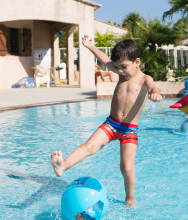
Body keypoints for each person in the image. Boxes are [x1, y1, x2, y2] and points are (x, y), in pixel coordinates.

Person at [51, 35, 162, 206]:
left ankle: (130, 197)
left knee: (126, 168)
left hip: (129, 130)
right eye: (118, 67)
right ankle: (63, 166)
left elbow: (152, 84)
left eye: (124, 67)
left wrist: (155, 91)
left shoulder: (144, 79)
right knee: (89, 146)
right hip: (111, 124)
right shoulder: (121, 73)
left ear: (137, 61)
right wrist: (90, 46)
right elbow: (104, 60)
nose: (121, 71)